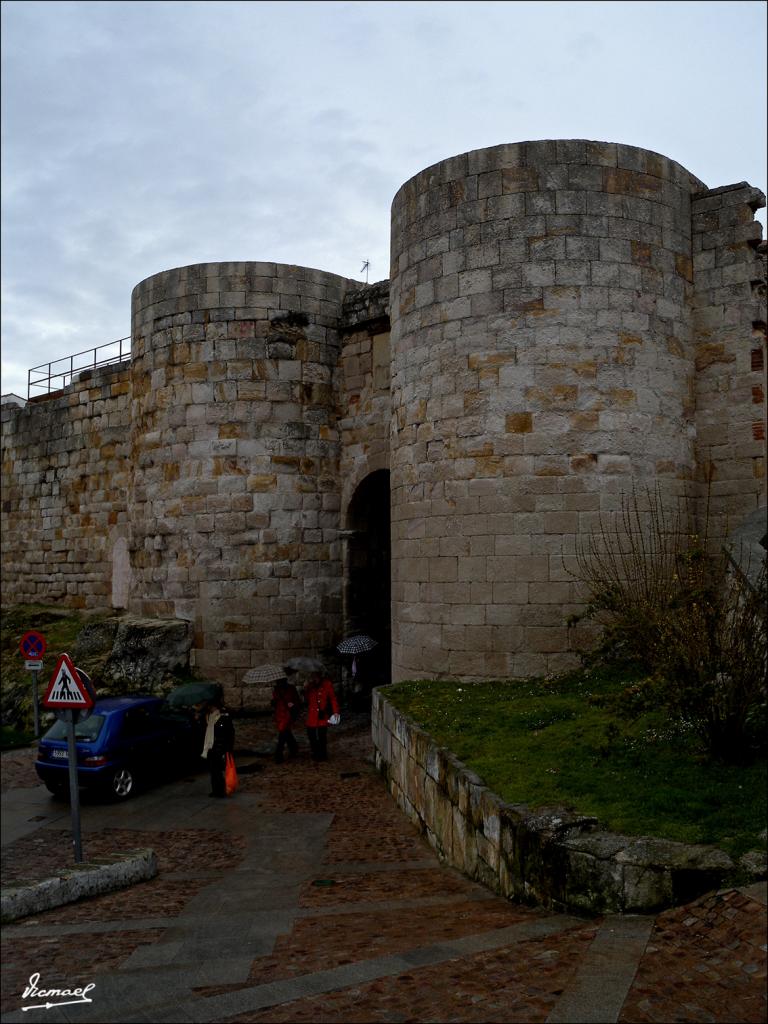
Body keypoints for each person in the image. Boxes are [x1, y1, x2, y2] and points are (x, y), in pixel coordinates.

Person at [201, 696, 235, 797]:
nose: (210, 708)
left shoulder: (224, 717)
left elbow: (230, 733)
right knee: (213, 769)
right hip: (209, 746)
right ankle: (215, 790)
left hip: (220, 746)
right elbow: (204, 730)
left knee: (217, 770)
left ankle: (221, 790)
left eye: (211, 706)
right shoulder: (207, 717)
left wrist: (228, 748)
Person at [303, 671, 340, 762]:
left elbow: (332, 698)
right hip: (312, 715)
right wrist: (305, 689)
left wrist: (335, 711)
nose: (314, 677)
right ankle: (315, 752)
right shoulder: (310, 685)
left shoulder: (327, 684)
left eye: (315, 675)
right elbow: (307, 700)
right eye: (312, 675)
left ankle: (322, 754)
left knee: (322, 736)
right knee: (311, 735)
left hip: (322, 714)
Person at [271, 676, 302, 763]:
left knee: (283, 732)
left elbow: (297, 701)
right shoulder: (276, 690)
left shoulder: (291, 689)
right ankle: (293, 748)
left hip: (288, 714)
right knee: (286, 732)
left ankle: (279, 754)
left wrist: (293, 704)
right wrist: (273, 702)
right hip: (280, 714)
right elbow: (275, 702)